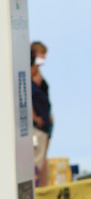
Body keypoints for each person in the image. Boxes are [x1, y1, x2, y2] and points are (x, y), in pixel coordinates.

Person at [31, 41, 53, 186]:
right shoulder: (30, 72)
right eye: (41, 53)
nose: (43, 57)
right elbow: (28, 97)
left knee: (42, 158)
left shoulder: (38, 71)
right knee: (36, 160)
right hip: (37, 125)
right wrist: (34, 117)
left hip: (45, 123)